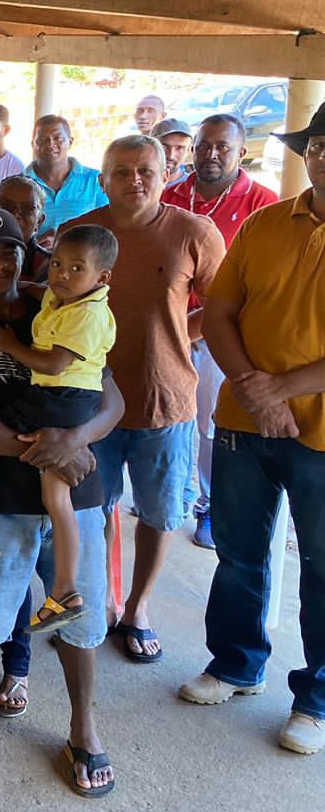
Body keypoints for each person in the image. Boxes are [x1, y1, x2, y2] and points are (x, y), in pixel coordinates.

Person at [0, 208, 125, 793]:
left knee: (78, 610)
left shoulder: (60, 302)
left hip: (74, 484)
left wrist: (72, 441)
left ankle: (84, 726)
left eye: (7, 250)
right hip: (4, 496)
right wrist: (39, 449)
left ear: (24, 254)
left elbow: (111, 395)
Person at [179, 101, 325, 755]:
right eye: (317, 144)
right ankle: (237, 665)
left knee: (322, 567)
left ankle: (316, 700)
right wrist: (253, 390)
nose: (322, 155)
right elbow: (218, 311)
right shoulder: (268, 223)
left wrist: (283, 390)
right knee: (240, 551)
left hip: (319, 433)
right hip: (245, 418)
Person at [69, 135, 224, 664]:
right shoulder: (81, 234)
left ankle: (138, 607)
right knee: (93, 510)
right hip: (93, 407)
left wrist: (179, 334)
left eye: (145, 171)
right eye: (121, 171)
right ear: (104, 177)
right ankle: (101, 602)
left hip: (166, 402)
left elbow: (222, 306)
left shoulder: (194, 232)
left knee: (159, 515)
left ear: (166, 174)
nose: (134, 180)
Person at [0, 224, 120, 644]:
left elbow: (53, 364)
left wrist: (9, 344)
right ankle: (63, 591)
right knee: (56, 498)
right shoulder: (64, 298)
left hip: (60, 398)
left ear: (102, 278)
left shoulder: (84, 313)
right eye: (57, 264)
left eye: (75, 268)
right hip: (70, 401)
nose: (61, 275)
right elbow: (33, 287)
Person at [165, 114, 279, 549]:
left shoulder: (262, 203)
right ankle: (174, 491)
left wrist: (195, 329)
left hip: (221, 335)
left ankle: (209, 507)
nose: (211, 154)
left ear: (241, 152)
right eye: (204, 145)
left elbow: (260, 283)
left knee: (211, 424)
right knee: (170, 417)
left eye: (222, 147)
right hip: (167, 331)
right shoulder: (171, 194)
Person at [28, 115, 107, 234]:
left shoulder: (95, 181)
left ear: (70, 142)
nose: (50, 144)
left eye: (57, 138)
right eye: (42, 139)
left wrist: (60, 241)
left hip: (84, 252)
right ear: (33, 144)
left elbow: (106, 228)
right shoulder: (20, 184)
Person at [0, 176, 50, 284]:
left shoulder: (48, 265)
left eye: (27, 208)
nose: (15, 214)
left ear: (39, 221)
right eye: (5, 206)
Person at [152, 117, 195, 187]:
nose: (171, 155)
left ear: (189, 150)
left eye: (179, 148)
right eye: (164, 147)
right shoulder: (135, 183)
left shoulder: (193, 188)